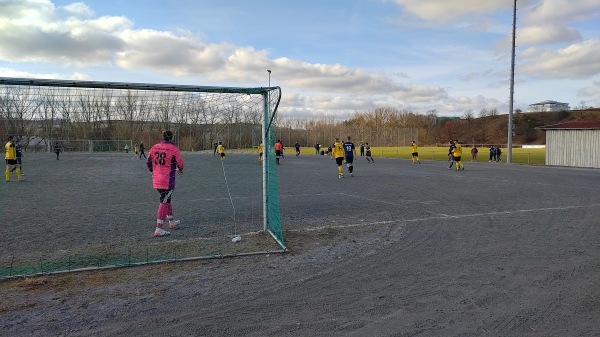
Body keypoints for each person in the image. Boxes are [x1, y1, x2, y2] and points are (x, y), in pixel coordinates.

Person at [147, 130, 184, 237]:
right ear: (171, 137)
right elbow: (180, 164)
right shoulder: (173, 148)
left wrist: (152, 171)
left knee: (167, 199)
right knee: (164, 201)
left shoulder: (154, 147)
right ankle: (158, 228)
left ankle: (171, 221)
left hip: (156, 180)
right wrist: (180, 169)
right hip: (167, 181)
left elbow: (148, 162)